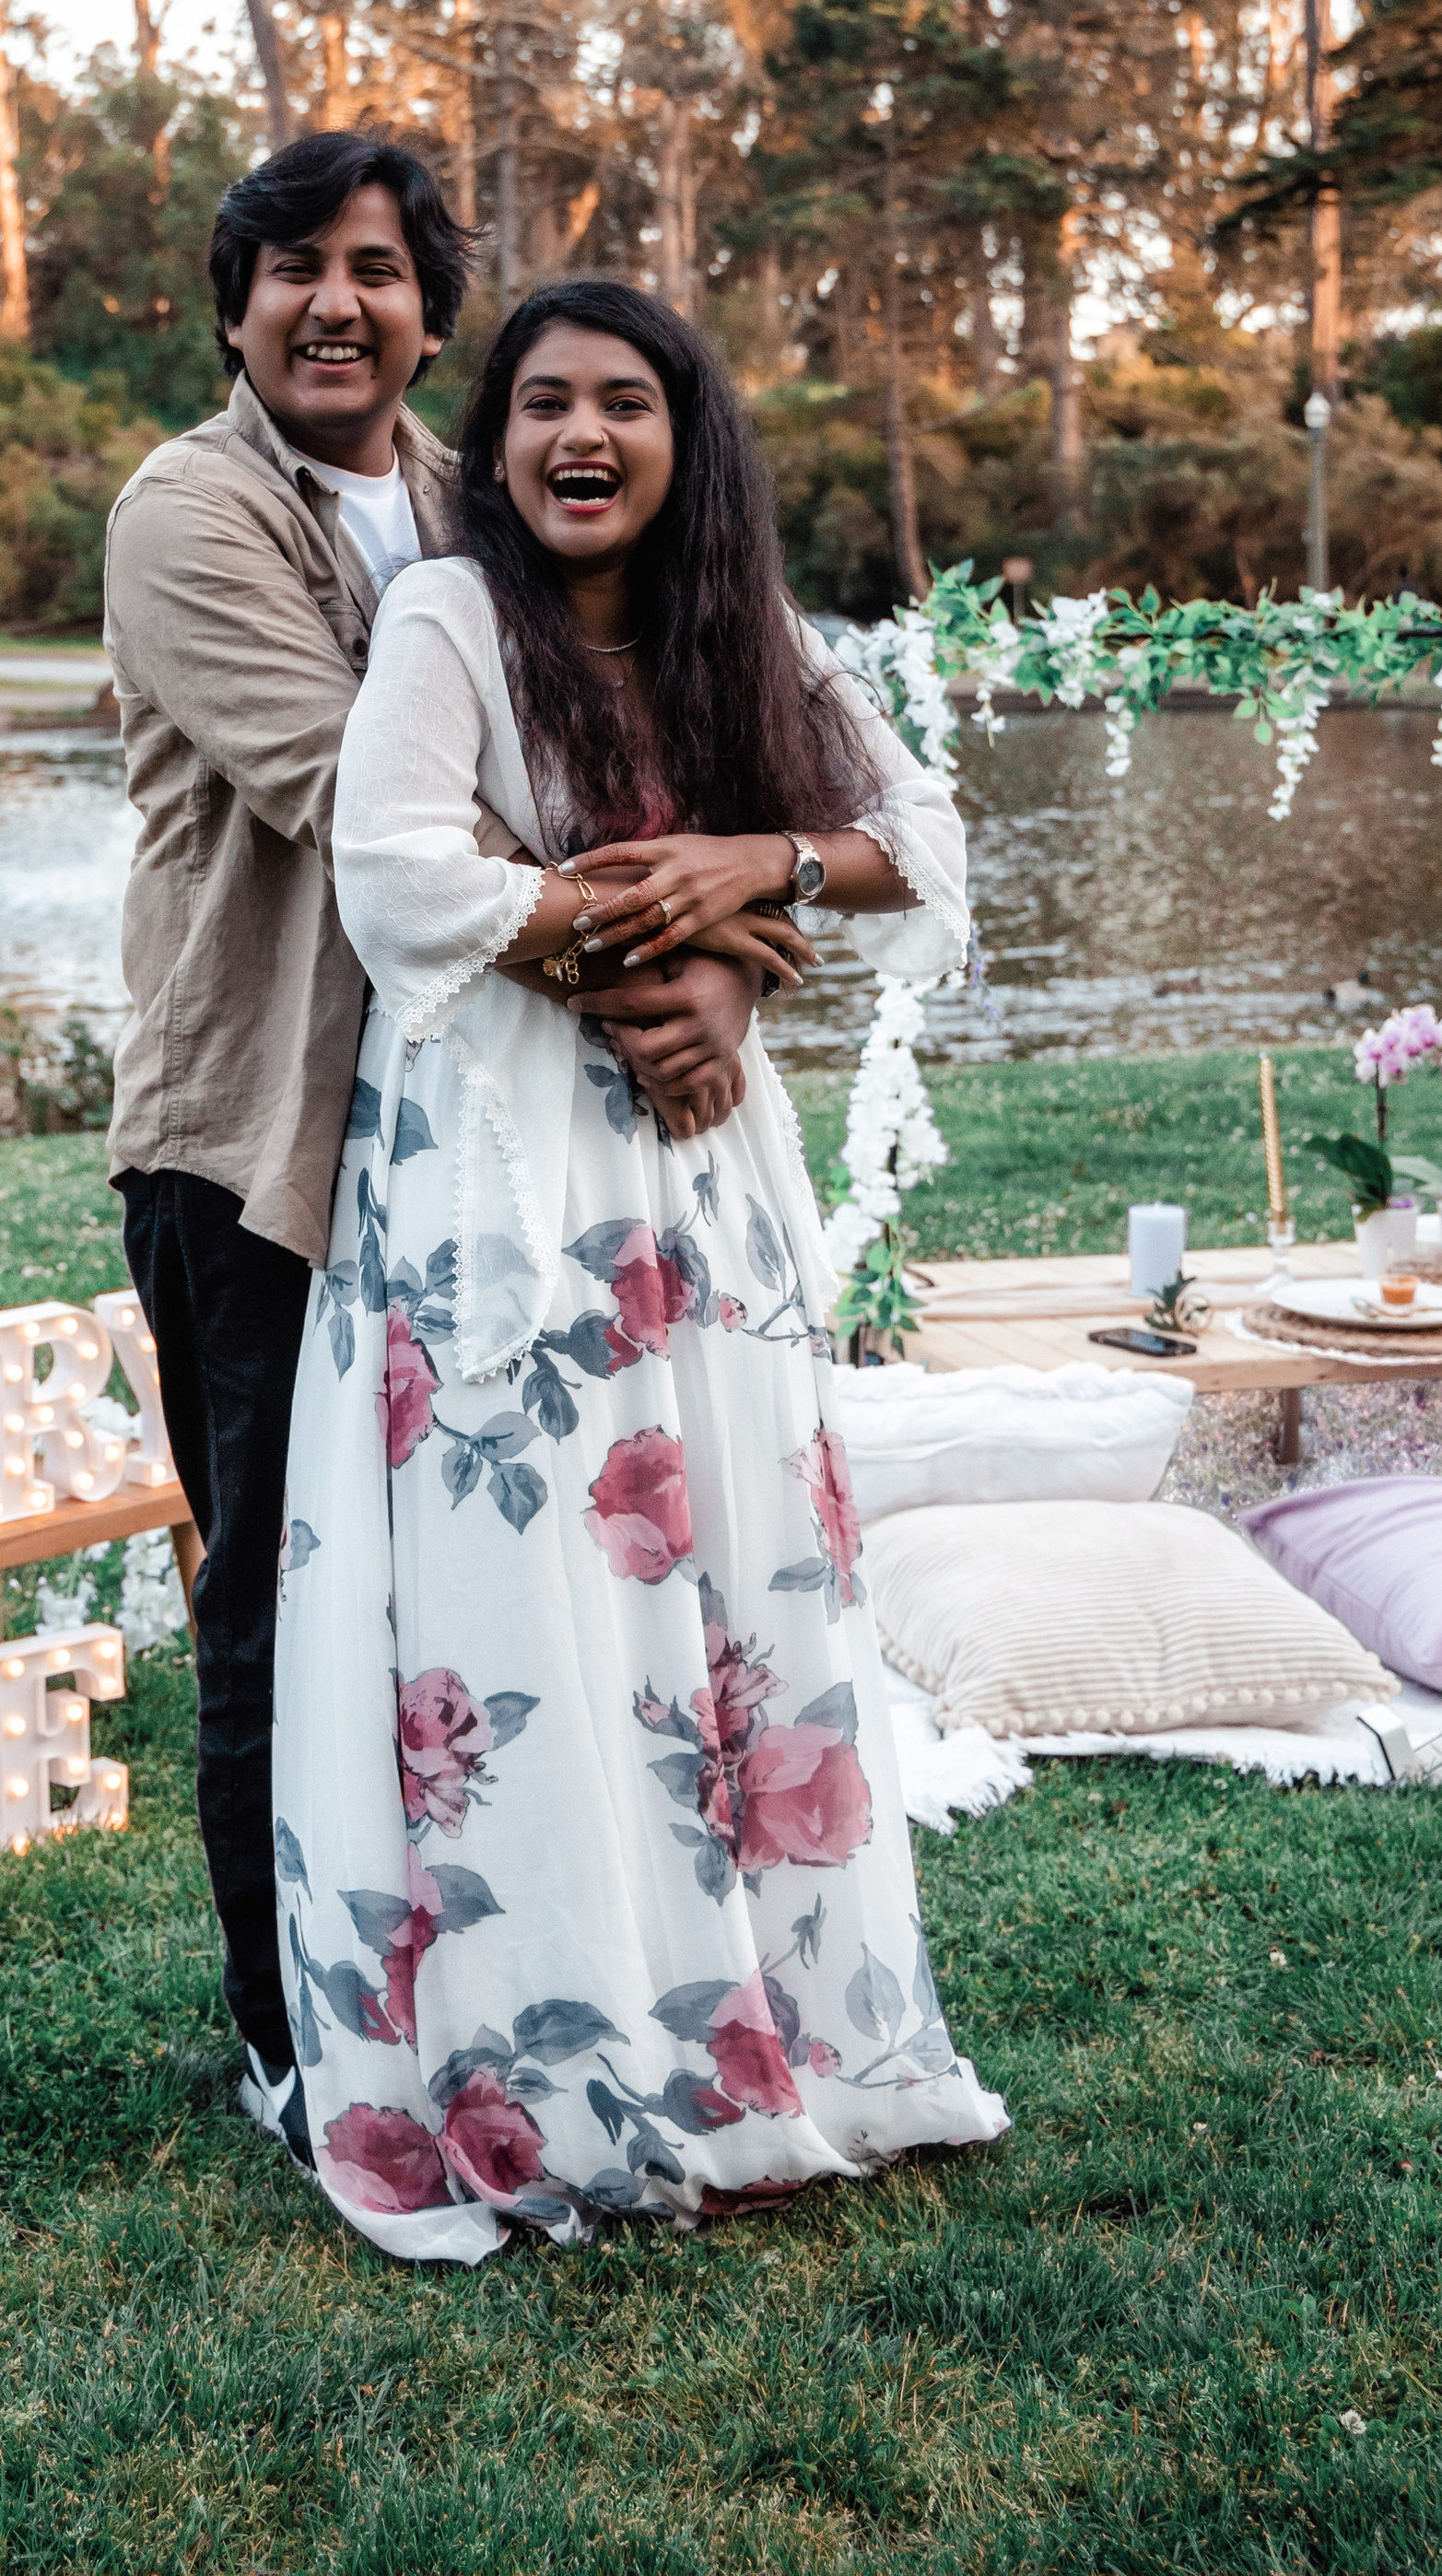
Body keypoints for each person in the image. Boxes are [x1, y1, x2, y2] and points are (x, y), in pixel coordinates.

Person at [270, 278, 1008, 2258]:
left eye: (619, 403)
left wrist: (746, 886)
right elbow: (397, 873)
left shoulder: (735, 631)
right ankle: (558, 2059)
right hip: (498, 1176)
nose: (574, 436)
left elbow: (922, 842)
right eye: (536, 406)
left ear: (686, 440)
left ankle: (768, 2032)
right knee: (528, 1602)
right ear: (493, 444)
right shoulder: (445, 615)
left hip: (699, 1181)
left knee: (733, 1570)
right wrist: (650, 958)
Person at [103, 154, 781, 2162]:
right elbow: (369, 813)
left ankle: (476, 2000)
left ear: (428, 315)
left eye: (380, 272)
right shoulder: (188, 512)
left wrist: (736, 953)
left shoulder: (477, 507)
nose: (336, 303)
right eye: (295, 269)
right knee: (272, 1605)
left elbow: (658, 756)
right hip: (262, 1140)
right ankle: (293, 2039)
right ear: (230, 307)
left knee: (474, 1587)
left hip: (484, 1144)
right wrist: (703, 934)